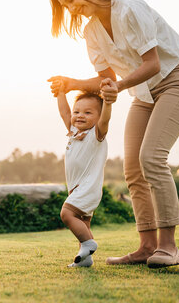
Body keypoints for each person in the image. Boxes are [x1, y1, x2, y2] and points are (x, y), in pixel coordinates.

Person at [47, 0, 179, 268]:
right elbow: (106, 79)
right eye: (66, 6)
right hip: (143, 93)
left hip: (174, 79)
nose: (73, 9)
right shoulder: (91, 32)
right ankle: (146, 246)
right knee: (132, 168)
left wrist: (119, 85)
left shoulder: (128, 8)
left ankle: (169, 247)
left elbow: (152, 63)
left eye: (71, 0)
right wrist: (72, 83)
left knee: (152, 158)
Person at [54, 89, 114, 268]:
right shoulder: (73, 131)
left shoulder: (97, 134)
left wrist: (108, 103)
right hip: (77, 187)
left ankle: (89, 244)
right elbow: (65, 112)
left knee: (67, 214)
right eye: (77, 112)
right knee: (83, 224)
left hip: (88, 187)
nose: (80, 116)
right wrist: (60, 93)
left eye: (88, 113)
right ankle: (85, 259)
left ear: (99, 116)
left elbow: (106, 119)